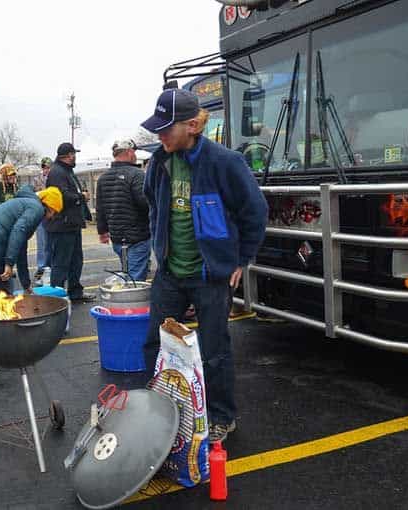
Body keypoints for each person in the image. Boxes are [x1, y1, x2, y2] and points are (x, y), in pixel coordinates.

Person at [140, 88, 268, 444]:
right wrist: (159, 251)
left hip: (210, 277)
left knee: (214, 352)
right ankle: (157, 412)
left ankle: (221, 417)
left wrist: (241, 259)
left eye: (167, 128)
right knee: (155, 344)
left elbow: (254, 213)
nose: (159, 134)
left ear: (193, 125)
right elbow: (153, 203)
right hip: (169, 274)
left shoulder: (225, 163)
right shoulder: (159, 161)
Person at [0, 186, 63, 299]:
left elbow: (21, 248)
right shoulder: (37, 209)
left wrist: (26, 285)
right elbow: (19, 230)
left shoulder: (24, 203)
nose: (52, 217)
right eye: (54, 213)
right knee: (5, 295)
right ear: (51, 207)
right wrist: (9, 263)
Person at [44, 143, 96, 303]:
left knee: (75, 261)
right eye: (74, 154)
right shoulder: (57, 173)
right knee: (61, 262)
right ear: (69, 155)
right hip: (62, 225)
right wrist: (81, 197)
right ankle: (56, 297)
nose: (75, 157)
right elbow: (62, 196)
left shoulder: (66, 171)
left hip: (71, 224)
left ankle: (75, 292)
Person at [95, 139, 151, 282]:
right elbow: (145, 203)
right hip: (137, 236)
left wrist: (102, 231)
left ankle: (124, 300)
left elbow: (100, 208)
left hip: (117, 237)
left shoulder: (103, 178)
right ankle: (130, 303)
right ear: (130, 152)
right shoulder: (137, 174)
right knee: (135, 280)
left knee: (127, 273)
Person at [33, 157, 52, 286]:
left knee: (51, 243)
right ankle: (41, 267)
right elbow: (37, 194)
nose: (46, 170)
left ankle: (50, 267)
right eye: (44, 167)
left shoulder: (55, 178)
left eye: (48, 167)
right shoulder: (37, 179)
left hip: (52, 214)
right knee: (41, 243)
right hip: (41, 214)